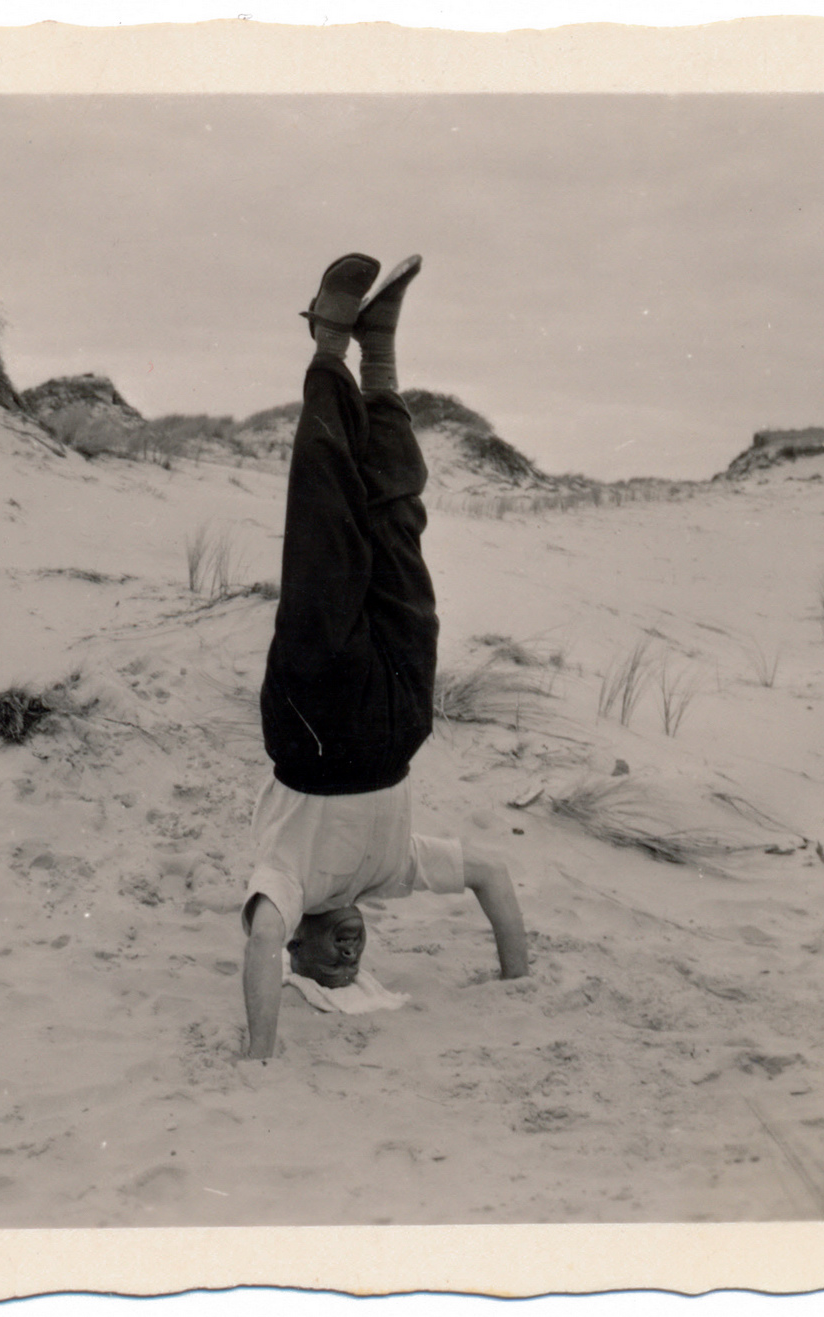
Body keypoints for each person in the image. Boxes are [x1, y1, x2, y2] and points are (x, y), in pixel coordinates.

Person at [240, 253, 529, 1060]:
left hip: (317, 729)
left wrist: (258, 1053)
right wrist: (520, 979)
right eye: (353, 966)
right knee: (399, 527)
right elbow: (492, 874)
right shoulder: (392, 873)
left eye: (327, 965)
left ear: (302, 944)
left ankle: (330, 345)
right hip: (401, 718)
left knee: (327, 528)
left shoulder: (287, 888)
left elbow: (260, 942)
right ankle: (383, 356)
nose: (347, 956)